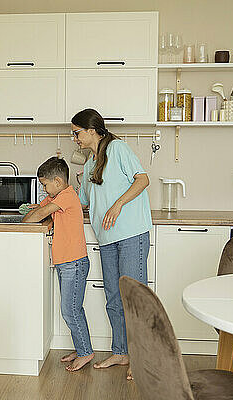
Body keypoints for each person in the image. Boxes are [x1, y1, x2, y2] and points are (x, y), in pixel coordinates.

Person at [72, 109, 152, 377]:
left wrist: (118, 204)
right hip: (106, 238)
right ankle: (121, 353)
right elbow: (82, 200)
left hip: (131, 234)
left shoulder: (118, 149)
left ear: (92, 130)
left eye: (77, 133)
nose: (75, 138)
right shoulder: (89, 164)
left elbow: (142, 179)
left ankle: (141, 360)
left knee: (134, 299)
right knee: (114, 299)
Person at [22, 157, 94, 371]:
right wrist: (34, 208)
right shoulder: (58, 195)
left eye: (45, 185)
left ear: (58, 182)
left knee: (70, 310)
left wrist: (29, 216)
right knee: (72, 309)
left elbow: (39, 214)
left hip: (74, 262)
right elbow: (39, 206)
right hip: (67, 263)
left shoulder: (67, 196)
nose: (44, 189)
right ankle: (82, 347)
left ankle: (85, 352)